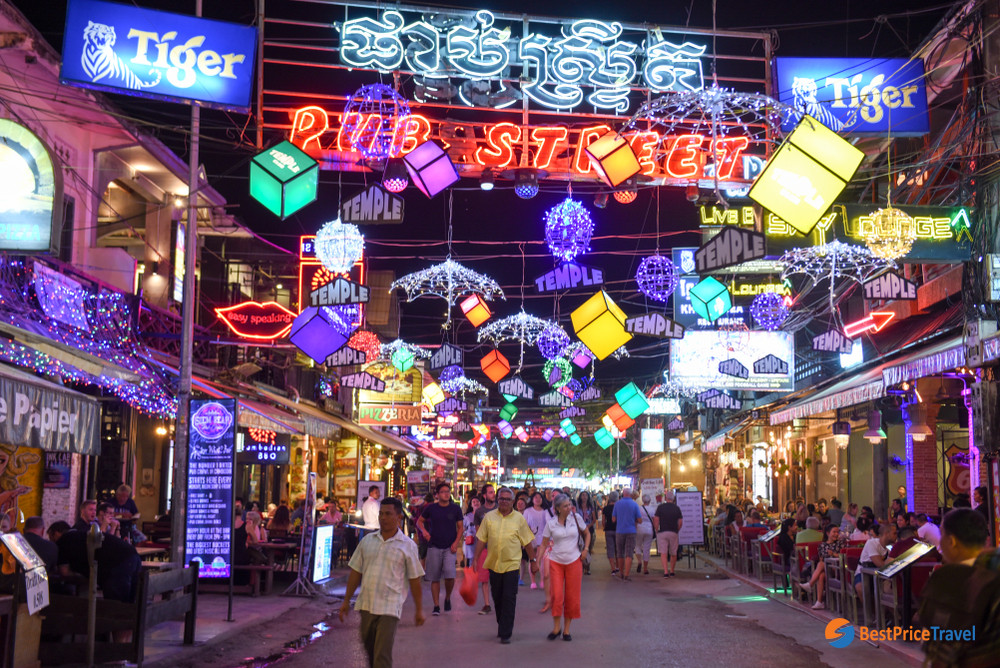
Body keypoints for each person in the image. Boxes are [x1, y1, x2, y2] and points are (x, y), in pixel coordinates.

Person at [339, 497, 424, 668]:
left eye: (388, 514)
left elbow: (415, 579)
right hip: (367, 605)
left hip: (390, 607)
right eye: (381, 514)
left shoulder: (408, 546)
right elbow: (356, 572)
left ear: (399, 517)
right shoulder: (367, 542)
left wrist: (419, 609)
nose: (383, 518)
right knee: (370, 651)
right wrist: (346, 601)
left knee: (381, 656)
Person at [917, 509, 1000, 666]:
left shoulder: (946, 579)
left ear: (951, 541)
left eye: (942, 535)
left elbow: (936, 643)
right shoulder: (994, 570)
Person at [473, 487, 539, 644]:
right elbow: (482, 539)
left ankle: (506, 633)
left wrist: (533, 560)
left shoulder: (519, 519)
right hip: (494, 564)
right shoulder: (489, 517)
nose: (503, 501)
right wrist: (476, 558)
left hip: (512, 565)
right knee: (497, 597)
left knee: (509, 597)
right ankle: (502, 624)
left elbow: (527, 541)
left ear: (513, 502)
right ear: (497, 500)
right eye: (501, 499)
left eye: (507, 499)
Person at [540, 494, 589, 641]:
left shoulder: (576, 518)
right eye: (566, 506)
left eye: (570, 505)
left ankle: (567, 630)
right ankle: (556, 628)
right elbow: (543, 543)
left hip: (574, 561)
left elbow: (587, 534)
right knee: (556, 596)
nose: (570, 508)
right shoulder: (551, 523)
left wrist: (585, 549)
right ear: (558, 509)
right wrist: (536, 561)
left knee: (572, 597)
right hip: (556, 561)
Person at [416, 482, 463, 616]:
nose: (446, 494)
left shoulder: (455, 509)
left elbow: (460, 527)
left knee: (449, 575)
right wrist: (424, 532)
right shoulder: (431, 508)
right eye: (443, 492)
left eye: (447, 491)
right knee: (434, 576)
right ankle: (436, 605)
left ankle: (447, 598)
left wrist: (456, 542)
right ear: (437, 494)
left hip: (450, 547)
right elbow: (420, 521)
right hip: (434, 545)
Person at [801, 524, 846, 610]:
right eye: (834, 532)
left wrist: (833, 554)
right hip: (827, 569)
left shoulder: (841, 544)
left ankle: (810, 584)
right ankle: (819, 602)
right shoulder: (822, 545)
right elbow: (821, 558)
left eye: (837, 532)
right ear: (828, 533)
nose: (836, 534)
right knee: (821, 575)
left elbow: (843, 556)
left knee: (821, 564)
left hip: (837, 568)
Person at [854, 523, 896, 598]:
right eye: (894, 533)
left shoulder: (890, 546)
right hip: (863, 573)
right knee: (861, 588)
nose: (896, 536)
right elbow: (880, 564)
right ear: (887, 534)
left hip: (880, 574)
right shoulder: (872, 543)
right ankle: (868, 609)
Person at [472, 485, 496, 615]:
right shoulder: (480, 512)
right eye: (490, 492)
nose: (493, 494)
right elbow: (478, 531)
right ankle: (487, 604)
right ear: (485, 495)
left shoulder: (500, 509)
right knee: (484, 578)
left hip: (498, 549)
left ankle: (498, 602)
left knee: (497, 577)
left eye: (494, 492)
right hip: (485, 549)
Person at [612, 487, 642, 581]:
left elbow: (613, 519)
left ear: (623, 494)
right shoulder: (634, 504)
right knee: (629, 553)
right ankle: (626, 575)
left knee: (620, 553)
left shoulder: (617, 504)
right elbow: (640, 520)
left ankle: (621, 572)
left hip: (620, 531)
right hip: (631, 531)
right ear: (631, 494)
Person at [654, 490, 683, 578]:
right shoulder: (677, 508)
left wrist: (656, 529)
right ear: (673, 499)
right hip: (673, 532)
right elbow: (680, 522)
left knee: (663, 552)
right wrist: (677, 530)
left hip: (662, 532)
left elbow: (656, 520)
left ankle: (666, 571)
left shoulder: (660, 507)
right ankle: (672, 571)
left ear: (666, 498)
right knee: (673, 552)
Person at [521, 492, 547, 589]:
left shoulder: (545, 511)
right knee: (533, 559)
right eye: (535, 497)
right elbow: (524, 525)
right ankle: (533, 581)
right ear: (532, 499)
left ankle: (542, 580)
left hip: (543, 538)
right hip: (531, 538)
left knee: (542, 560)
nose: (538, 499)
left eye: (540, 497)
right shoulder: (528, 511)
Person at [575, 491, 596, 575]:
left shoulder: (591, 507)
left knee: (588, 548)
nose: (584, 497)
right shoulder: (577, 507)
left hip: (589, 529)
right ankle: (581, 566)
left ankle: (588, 567)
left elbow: (594, 519)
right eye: (582, 495)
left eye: (586, 495)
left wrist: (588, 526)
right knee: (579, 548)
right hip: (579, 530)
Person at [634, 493, 655, 575]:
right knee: (646, 549)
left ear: (642, 500)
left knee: (638, 545)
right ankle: (645, 569)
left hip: (639, 528)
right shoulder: (652, 509)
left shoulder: (638, 508)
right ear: (649, 501)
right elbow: (654, 520)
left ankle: (639, 561)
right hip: (649, 529)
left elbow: (636, 519)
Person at [602, 491, 618, 575]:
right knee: (618, 548)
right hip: (618, 530)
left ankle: (613, 568)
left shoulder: (606, 508)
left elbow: (603, 521)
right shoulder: (619, 507)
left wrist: (604, 527)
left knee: (610, 548)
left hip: (608, 530)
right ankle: (618, 566)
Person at [461, 497, 480, 569]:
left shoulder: (485, 515)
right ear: (471, 505)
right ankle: (470, 576)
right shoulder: (467, 517)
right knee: (471, 561)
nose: (476, 503)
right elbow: (462, 529)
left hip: (481, 542)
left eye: (477, 501)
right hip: (471, 542)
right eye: (473, 502)